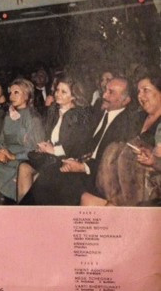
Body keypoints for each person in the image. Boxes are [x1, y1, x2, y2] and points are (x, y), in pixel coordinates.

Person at [21, 77, 138, 205]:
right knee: (48, 173)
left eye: (111, 92)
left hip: (98, 174)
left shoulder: (127, 125)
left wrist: (83, 167)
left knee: (53, 178)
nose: (104, 95)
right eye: (105, 90)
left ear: (126, 100)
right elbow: (82, 142)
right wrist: (74, 159)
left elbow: (112, 161)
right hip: (79, 162)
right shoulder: (98, 111)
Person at [82, 71, 161, 206]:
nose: (140, 95)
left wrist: (154, 160)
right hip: (117, 184)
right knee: (86, 198)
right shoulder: (136, 118)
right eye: (139, 91)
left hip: (147, 189)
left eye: (146, 90)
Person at [18, 75, 92, 202]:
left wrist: (53, 150)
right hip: (49, 157)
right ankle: (22, 208)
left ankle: (30, 206)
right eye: (57, 90)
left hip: (66, 159)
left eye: (64, 92)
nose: (58, 94)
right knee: (23, 167)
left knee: (45, 175)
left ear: (74, 96)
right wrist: (45, 145)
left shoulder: (80, 116)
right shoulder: (53, 110)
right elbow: (49, 135)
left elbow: (75, 147)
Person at [0, 78, 45, 205]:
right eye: (10, 93)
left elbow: (36, 151)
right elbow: (0, 141)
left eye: (16, 92)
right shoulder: (9, 116)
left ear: (27, 96)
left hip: (23, 160)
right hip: (6, 158)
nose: (11, 96)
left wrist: (13, 156)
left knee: (21, 170)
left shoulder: (33, 118)